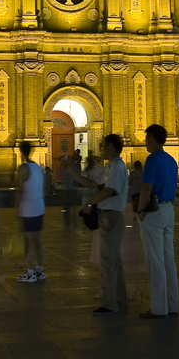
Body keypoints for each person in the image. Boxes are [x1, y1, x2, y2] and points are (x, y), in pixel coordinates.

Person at [67, 134, 128, 315]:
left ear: (110, 146)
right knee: (114, 261)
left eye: (103, 145)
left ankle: (110, 304)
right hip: (107, 217)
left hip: (112, 217)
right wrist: (71, 171)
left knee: (108, 262)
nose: (101, 149)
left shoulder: (117, 166)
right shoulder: (111, 167)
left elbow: (109, 190)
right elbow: (92, 184)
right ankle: (120, 299)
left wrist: (90, 203)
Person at [136, 124, 179, 319]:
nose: (145, 143)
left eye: (146, 139)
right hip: (169, 209)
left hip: (154, 212)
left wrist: (139, 209)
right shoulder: (171, 160)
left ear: (152, 139)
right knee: (168, 258)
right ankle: (172, 304)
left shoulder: (152, 159)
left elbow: (146, 187)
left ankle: (158, 308)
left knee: (155, 261)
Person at [15, 141, 46, 283]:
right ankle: (40, 270)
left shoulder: (23, 168)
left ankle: (30, 272)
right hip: (39, 207)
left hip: (28, 209)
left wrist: (17, 209)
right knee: (37, 240)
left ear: (20, 151)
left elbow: (20, 190)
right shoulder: (38, 168)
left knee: (30, 241)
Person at [62, 149, 82, 227]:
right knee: (72, 205)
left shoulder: (70, 168)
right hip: (71, 188)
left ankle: (68, 219)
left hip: (68, 188)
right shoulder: (74, 168)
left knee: (69, 205)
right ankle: (71, 219)